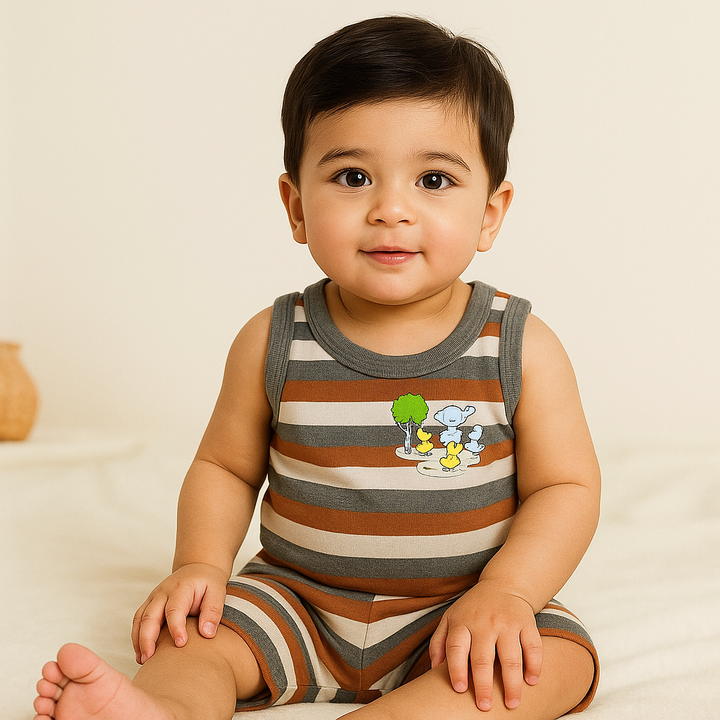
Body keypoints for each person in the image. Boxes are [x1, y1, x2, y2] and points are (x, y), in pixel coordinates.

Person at [34, 15, 601, 720]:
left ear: (490, 212)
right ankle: (164, 711)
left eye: (433, 179)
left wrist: (509, 591)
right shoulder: (274, 340)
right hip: (296, 602)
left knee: (556, 658)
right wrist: (201, 567)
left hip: (457, 609)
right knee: (196, 640)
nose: (391, 210)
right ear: (297, 205)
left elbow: (565, 487)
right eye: (353, 177)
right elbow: (225, 467)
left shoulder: (517, 345)